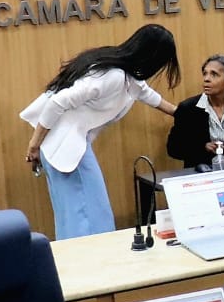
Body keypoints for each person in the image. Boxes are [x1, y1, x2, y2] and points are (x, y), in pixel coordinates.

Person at [20, 25, 181, 240]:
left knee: (82, 212)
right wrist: (34, 145)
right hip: (66, 147)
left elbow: (149, 96)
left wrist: (184, 114)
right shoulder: (114, 76)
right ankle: (92, 258)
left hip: (70, 146)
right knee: (85, 215)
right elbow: (58, 102)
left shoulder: (126, 76)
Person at [167, 54, 224, 168]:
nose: (206, 79)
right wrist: (202, 147)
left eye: (214, 74)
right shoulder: (188, 109)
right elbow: (173, 148)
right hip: (203, 171)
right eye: (205, 73)